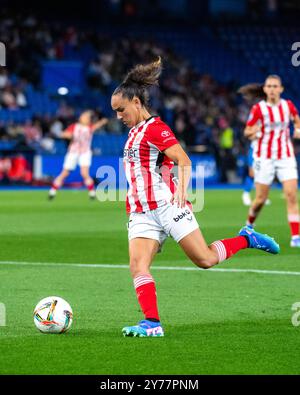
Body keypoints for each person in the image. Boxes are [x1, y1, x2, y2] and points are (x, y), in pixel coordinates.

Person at [111, 58, 280, 338]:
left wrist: (181, 189)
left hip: (168, 206)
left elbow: (184, 160)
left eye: (121, 109)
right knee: (137, 265)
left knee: (205, 259)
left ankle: (247, 238)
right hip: (141, 212)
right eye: (115, 111)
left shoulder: (155, 128)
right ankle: (152, 323)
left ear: (137, 103)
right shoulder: (133, 134)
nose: (118, 115)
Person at [239, 75, 300, 247]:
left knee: (291, 194)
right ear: (265, 89)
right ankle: (249, 224)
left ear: (281, 89)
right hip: (264, 157)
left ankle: (296, 237)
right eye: (269, 86)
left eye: (275, 86)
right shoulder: (259, 109)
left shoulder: (288, 106)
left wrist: (298, 129)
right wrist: (254, 132)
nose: (272, 89)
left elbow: (297, 120)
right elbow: (247, 131)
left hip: (285, 156)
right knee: (260, 199)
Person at [48, 110, 108, 200]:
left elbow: (98, 125)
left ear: (89, 120)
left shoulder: (89, 128)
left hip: (85, 152)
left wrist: (103, 121)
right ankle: (52, 191)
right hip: (73, 152)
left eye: (86, 116)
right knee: (64, 173)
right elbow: (66, 134)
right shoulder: (74, 127)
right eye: (83, 116)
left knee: (84, 173)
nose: (83, 117)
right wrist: (64, 134)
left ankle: (92, 193)